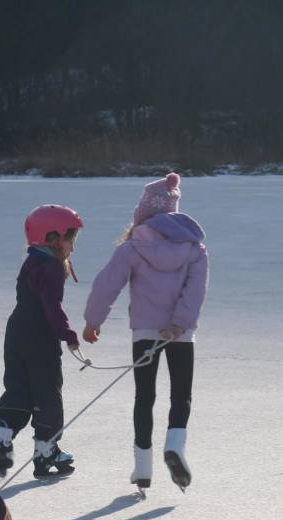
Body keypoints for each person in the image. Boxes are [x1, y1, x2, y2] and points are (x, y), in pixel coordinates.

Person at [81, 173, 208, 491]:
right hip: (180, 334)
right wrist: (179, 323)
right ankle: (175, 446)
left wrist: (93, 321)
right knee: (181, 395)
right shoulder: (194, 248)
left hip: (145, 332)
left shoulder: (134, 246)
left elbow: (106, 284)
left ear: (144, 211)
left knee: (144, 397)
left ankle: (143, 469)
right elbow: (195, 292)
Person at [0, 205, 83, 480]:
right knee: (47, 394)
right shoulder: (51, 269)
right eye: (70, 240)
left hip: (16, 332)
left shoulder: (31, 261)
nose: (73, 248)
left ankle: (2, 435)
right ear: (52, 238)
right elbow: (51, 307)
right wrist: (68, 334)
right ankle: (46, 451)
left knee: (17, 388)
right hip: (40, 338)